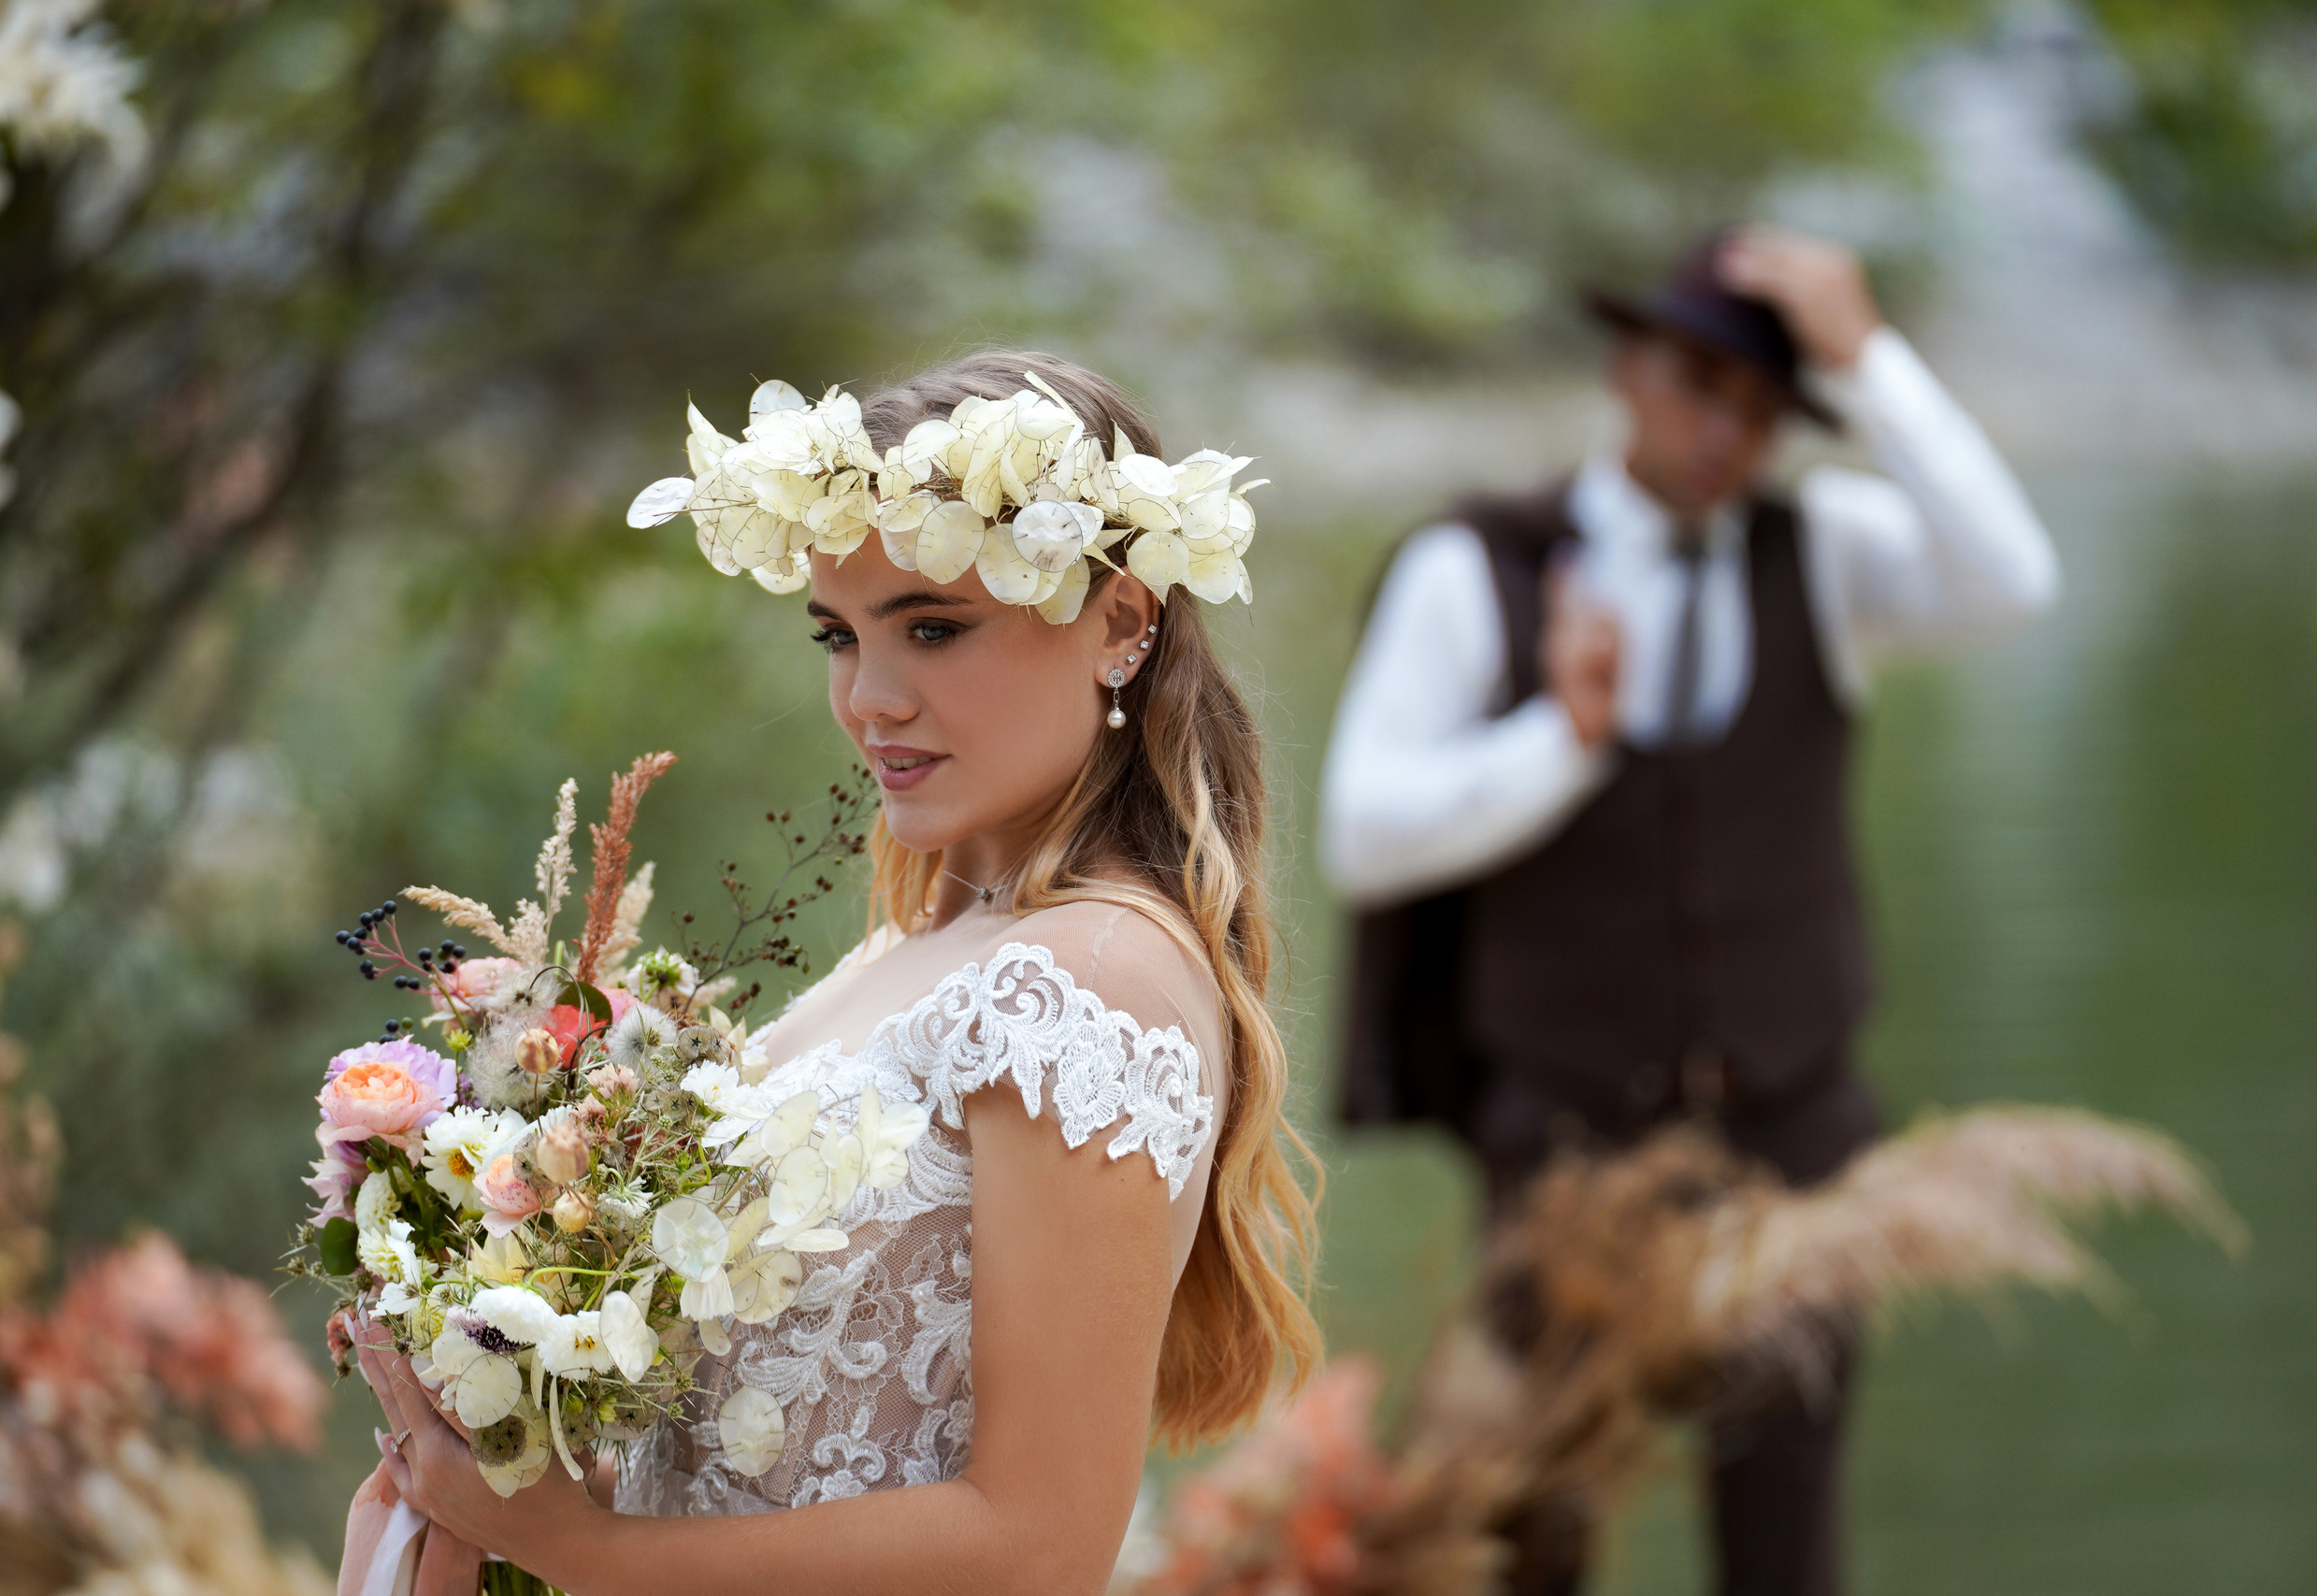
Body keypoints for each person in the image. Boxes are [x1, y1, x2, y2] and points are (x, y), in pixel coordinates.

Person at [349, 352, 1320, 1595]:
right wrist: (512, 1382)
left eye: (932, 627)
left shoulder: (1090, 978)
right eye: (839, 634)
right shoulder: (915, 950)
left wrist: (586, 1553)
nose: (870, 697)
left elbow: (1039, 1545)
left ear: (1122, 623)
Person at [1321, 227, 2060, 1596]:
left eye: (1767, 408)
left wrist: (1869, 358)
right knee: (1525, 1535)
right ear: (1629, 370)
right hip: (1563, 1163)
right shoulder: (1477, 564)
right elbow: (1363, 838)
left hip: (1794, 1144)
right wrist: (1563, 740)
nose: (1729, 433)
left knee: (1783, 1551)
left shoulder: (1823, 552)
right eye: (1701, 387)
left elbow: (2015, 583)